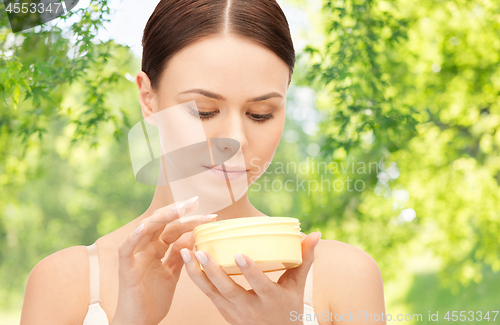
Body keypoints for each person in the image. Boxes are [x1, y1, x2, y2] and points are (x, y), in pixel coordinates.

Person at [20, 0, 386, 324]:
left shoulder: (345, 279)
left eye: (260, 113)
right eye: (204, 110)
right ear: (148, 99)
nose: (236, 140)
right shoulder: (65, 284)